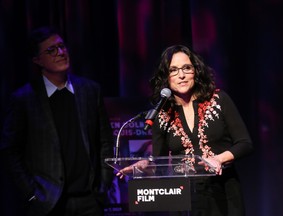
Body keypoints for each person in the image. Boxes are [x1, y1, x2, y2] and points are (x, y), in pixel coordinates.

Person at [118, 45, 253, 216]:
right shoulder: (162, 114)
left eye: (186, 68)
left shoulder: (219, 99)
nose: (181, 75)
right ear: (166, 77)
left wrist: (219, 159)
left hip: (223, 193)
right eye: (173, 70)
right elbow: (158, 162)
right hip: (184, 199)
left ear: (195, 71)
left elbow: (245, 143)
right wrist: (144, 166)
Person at [0, 26, 114, 216]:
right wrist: (31, 194)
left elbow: (105, 141)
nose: (60, 53)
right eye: (51, 50)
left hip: (90, 201)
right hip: (49, 203)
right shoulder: (24, 99)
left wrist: (103, 185)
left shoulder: (89, 90)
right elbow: (10, 150)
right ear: (37, 60)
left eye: (62, 46)